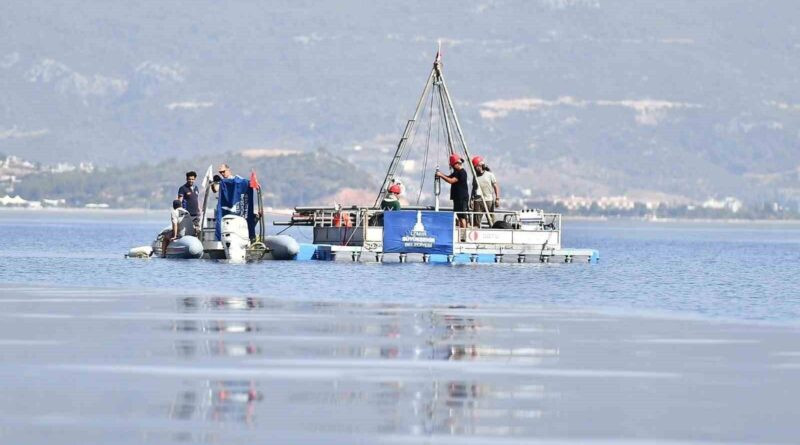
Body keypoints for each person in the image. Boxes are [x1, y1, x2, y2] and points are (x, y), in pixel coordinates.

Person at [435, 154, 469, 228]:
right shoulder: (456, 173)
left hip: (461, 198)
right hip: (457, 198)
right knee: (459, 216)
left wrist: (441, 175)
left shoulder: (462, 172)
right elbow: (448, 177)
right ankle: (461, 232)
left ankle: (464, 233)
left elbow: (451, 180)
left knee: (462, 216)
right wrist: (440, 174)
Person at [470, 156, 500, 227]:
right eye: (476, 167)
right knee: (476, 221)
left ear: (481, 166)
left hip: (488, 200)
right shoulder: (475, 176)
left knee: (491, 220)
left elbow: (496, 186)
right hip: (478, 201)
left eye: (478, 166)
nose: (477, 168)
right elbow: (474, 188)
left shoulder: (489, 175)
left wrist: (497, 198)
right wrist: (471, 200)